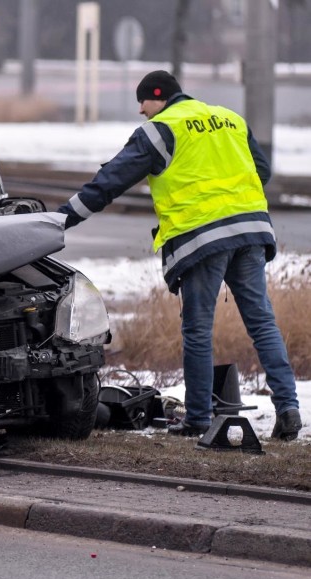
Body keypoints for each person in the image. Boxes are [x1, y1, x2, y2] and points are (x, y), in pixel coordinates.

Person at [56, 70, 303, 441]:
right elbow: (261, 171)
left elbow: (109, 182)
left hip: (201, 239)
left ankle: (199, 419)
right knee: (262, 322)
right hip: (251, 231)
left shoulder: (160, 130)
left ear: (159, 98)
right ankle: (289, 408)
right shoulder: (229, 119)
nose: (141, 110)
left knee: (198, 329)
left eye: (143, 101)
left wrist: (61, 219)